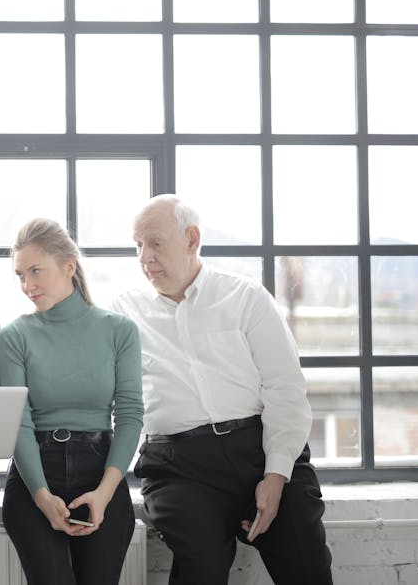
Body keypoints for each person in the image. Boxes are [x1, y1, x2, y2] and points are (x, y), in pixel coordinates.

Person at [110, 194, 332, 585]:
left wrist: (276, 476)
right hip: (178, 466)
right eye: (138, 245)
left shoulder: (245, 297)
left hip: (260, 448)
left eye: (155, 243)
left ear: (192, 239)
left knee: (306, 564)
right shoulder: (123, 312)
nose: (144, 257)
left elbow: (285, 388)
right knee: (202, 568)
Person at [0, 219, 144, 585]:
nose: (27, 285)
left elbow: (129, 415)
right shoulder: (14, 336)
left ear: (69, 266)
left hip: (101, 471)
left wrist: (105, 494)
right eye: (20, 274)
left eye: (36, 271)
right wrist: (43, 498)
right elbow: (18, 424)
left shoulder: (119, 331)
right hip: (35, 477)